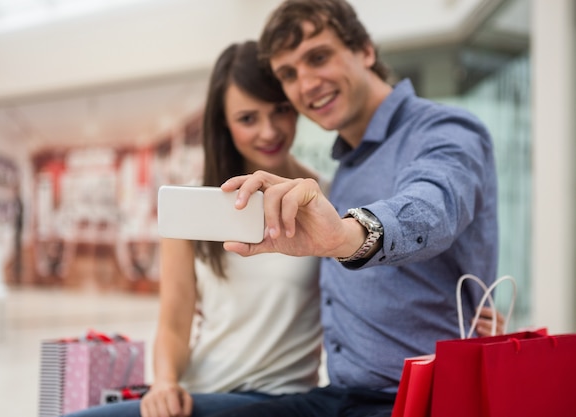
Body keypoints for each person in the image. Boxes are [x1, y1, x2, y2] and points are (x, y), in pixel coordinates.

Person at [214, 1, 499, 416]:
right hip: (341, 397)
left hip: (423, 400)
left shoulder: (446, 130)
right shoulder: (344, 170)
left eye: (318, 57)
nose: (306, 84)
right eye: (288, 74)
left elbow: (433, 206)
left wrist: (347, 236)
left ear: (365, 51)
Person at [63, 40, 323, 417]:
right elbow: (174, 320)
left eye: (281, 110)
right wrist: (165, 383)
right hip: (200, 393)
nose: (269, 131)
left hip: (282, 400)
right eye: (248, 118)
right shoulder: (193, 202)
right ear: (223, 124)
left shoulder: (321, 201)